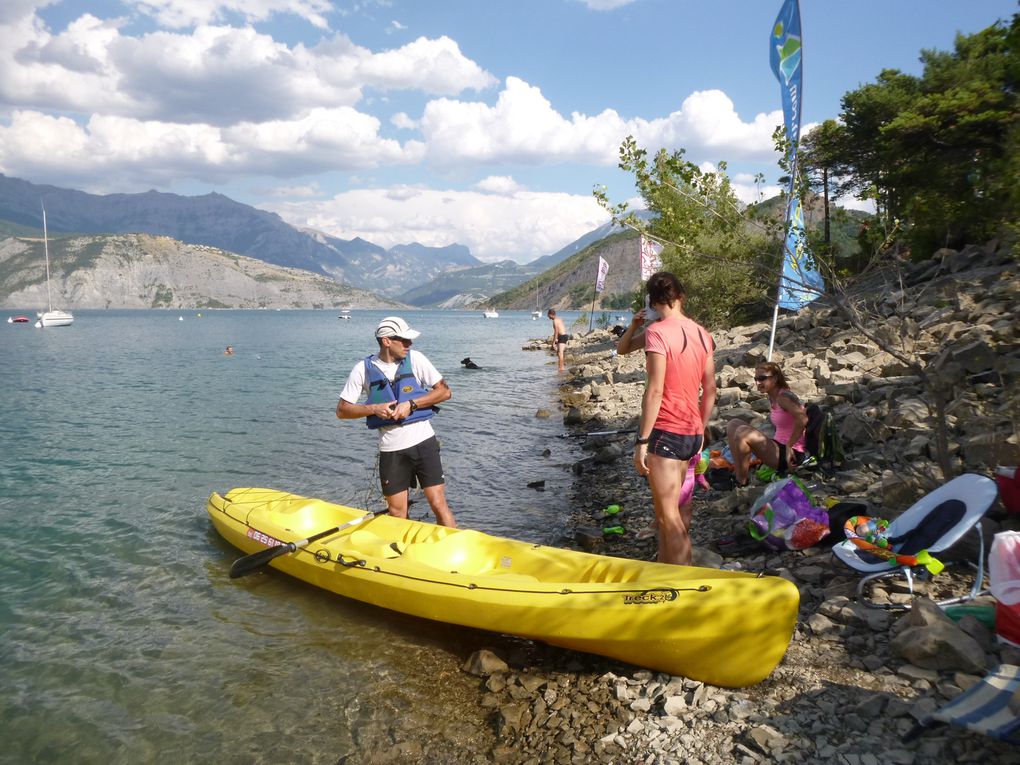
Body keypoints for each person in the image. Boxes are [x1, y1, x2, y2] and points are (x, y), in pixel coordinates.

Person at [337, 316, 456, 527]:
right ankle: (403, 555)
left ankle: (453, 552)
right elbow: (342, 410)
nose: (410, 345)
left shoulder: (416, 359)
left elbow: (445, 392)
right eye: (404, 340)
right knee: (397, 513)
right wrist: (373, 408)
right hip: (392, 450)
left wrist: (412, 404)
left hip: (424, 443)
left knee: (438, 503)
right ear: (386, 341)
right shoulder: (362, 369)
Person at [632, 272, 716, 566]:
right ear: (682, 296)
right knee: (671, 516)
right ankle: (666, 576)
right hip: (692, 431)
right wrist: (701, 429)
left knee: (669, 517)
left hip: (666, 432)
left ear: (653, 302)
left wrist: (642, 441)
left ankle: (686, 588)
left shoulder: (657, 332)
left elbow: (655, 391)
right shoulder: (703, 334)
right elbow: (710, 390)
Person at [725, 361, 807, 487]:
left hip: (791, 455)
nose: (758, 383)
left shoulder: (783, 397)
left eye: (762, 378)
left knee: (742, 432)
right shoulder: (773, 396)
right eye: (756, 379)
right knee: (733, 424)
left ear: (774, 379)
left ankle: (741, 482)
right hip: (778, 447)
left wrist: (790, 446)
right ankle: (739, 473)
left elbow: (803, 419)